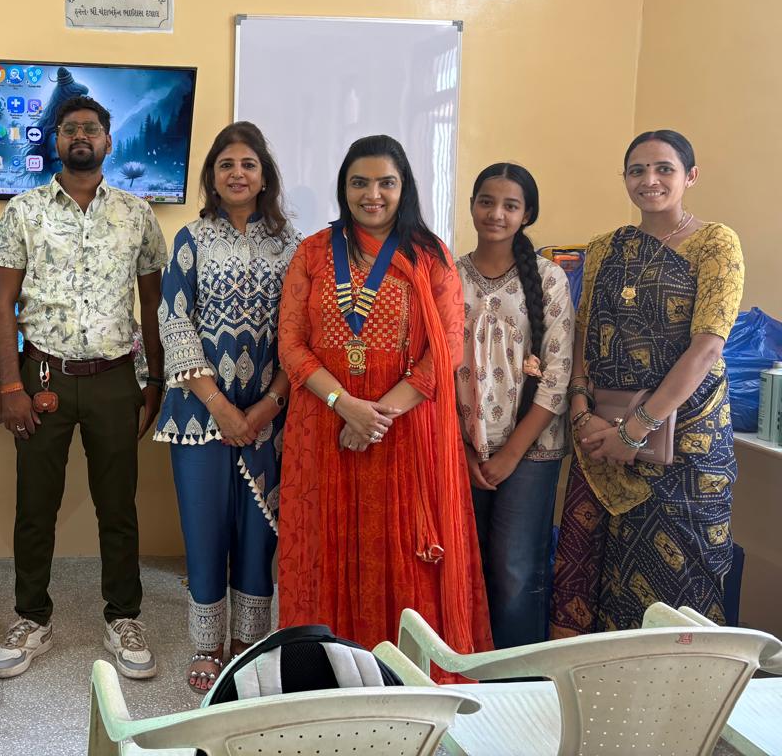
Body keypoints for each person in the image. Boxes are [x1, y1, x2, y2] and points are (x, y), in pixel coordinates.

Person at [276, 135, 491, 659]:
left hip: (405, 436)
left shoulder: (430, 256)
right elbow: (291, 344)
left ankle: (404, 674)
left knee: (401, 557)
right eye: (360, 183)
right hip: (324, 432)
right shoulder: (312, 253)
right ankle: (325, 670)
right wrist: (345, 406)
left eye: (386, 183)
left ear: (404, 188)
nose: (372, 194)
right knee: (325, 549)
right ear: (343, 187)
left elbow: (444, 353)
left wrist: (374, 418)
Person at [0, 95, 167, 680]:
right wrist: (8, 383)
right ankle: (31, 618)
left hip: (116, 377)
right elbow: (1, 302)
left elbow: (153, 304)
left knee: (119, 506)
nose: (81, 137)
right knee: (36, 507)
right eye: (70, 129)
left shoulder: (138, 214)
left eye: (91, 129)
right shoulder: (23, 210)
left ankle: (123, 618)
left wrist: (156, 378)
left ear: (108, 142)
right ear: (56, 141)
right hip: (42, 377)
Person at [551, 130, 743, 636]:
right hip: (600, 435)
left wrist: (634, 432)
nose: (649, 180)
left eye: (664, 169)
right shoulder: (604, 248)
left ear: (690, 177)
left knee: (678, 587)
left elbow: (706, 347)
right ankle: (599, 697)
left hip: (686, 446)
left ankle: (683, 704)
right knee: (598, 576)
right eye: (637, 170)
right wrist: (579, 410)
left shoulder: (716, 243)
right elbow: (584, 334)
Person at [156, 122, 300, 692]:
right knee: (204, 527)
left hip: (273, 413)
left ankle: (248, 640)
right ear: (212, 179)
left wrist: (267, 406)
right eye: (226, 165)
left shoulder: (294, 245)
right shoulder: (190, 239)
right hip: (198, 413)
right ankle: (207, 644)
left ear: (264, 176)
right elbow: (174, 320)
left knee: (261, 529)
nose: (237, 173)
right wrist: (220, 406)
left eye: (248, 164)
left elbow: (302, 332)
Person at [456, 163, 574, 648]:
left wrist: (509, 456)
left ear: (528, 214)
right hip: (463, 446)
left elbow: (559, 373)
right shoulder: (449, 275)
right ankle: (469, 672)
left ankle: (516, 685)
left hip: (531, 449)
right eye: (486, 201)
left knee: (514, 568)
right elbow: (435, 372)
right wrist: (464, 453)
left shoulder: (548, 279)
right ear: (472, 206)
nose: (496, 214)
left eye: (510, 205)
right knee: (468, 565)